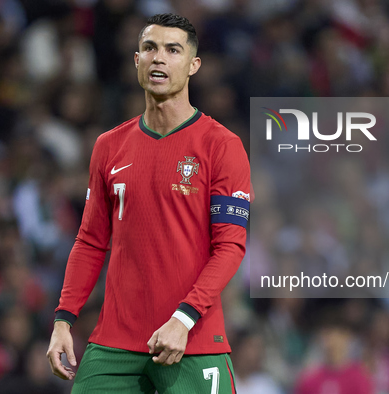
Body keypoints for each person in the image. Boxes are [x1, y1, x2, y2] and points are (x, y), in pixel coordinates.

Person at [46, 13, 250, 394]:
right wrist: (63, 322)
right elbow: (90, 242)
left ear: (193, 65)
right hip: (114, 345)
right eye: (149, 48)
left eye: (173, 50)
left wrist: (183, 319)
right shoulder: (109, 146)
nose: (159, 58)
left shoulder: (221, 146)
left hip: (193, 341)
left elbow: (230, 246)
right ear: (136, 60)